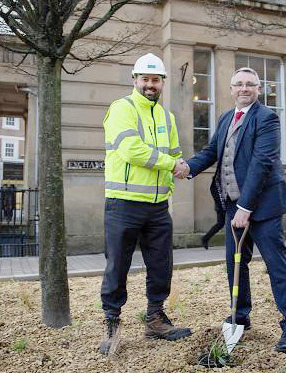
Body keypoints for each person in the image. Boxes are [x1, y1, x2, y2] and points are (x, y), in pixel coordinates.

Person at [179, 67, 286, 352]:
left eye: (250, 84)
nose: (244, 89)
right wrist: (188, 167)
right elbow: (213, 152)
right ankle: (241, 314)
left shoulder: (267, 118)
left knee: (277, 266)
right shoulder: (226, 118)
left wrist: (246, 207)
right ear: (231, 89)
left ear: (259, 90)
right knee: (235, 264)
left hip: (263, 207)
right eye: (239, 84)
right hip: (232, 205)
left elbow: (262, 163)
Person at [99, 53, 192, 355]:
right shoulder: (121, 109)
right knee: (118, 266)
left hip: (157, 206)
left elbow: (175, 155)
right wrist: (171, 165)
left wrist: (176, 172)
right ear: (135, 80)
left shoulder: (167, 117)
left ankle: (155, 319)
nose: (150, 85)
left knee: (161, 264)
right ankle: (112, 323)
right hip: (124, 203)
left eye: (156, 80)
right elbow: (131, 150)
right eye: (145, 79)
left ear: (163, 83)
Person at [201, 175, 225, 250]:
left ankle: (205, 238)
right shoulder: (218, 182)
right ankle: (205, 238)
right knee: (221, 224)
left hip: (221, 206)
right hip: (222, 207)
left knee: (220, 224)